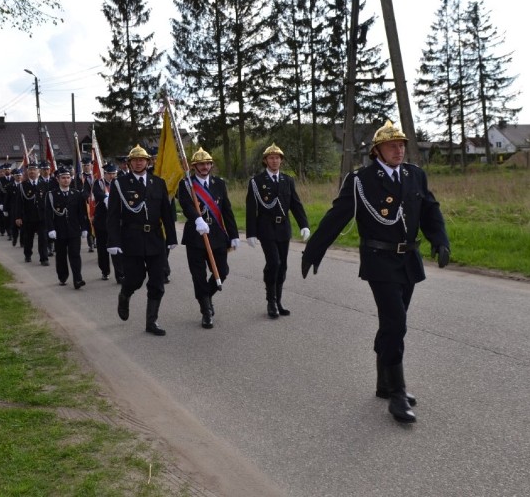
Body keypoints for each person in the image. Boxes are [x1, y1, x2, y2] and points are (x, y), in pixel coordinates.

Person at [301, 120, 450, 424]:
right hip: (379, 261)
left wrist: (440, 241)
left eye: (402, 144)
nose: (399, 149)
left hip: (408, 259)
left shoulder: (414, 175)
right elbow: (337, 216)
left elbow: (430, 210)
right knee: (396, 324)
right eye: (393, 145)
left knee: (394, 324)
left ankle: (384, 382)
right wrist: (314, 250)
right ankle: (397, 392)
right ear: (377, 150)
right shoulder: (361, 180)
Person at [106, 144, 178, 336]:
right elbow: (113, 216)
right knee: (135, 279)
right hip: (132, 239)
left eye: (142, 160)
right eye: (135, 160)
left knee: (157, 282)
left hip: (155, 239)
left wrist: (171, 236)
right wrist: (113, 241)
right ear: (129, 163)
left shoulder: (158, 183)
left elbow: (166, 213)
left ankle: (151, 322)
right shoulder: (120, 184)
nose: (138, 163)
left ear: (148, 162)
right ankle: (125, 295)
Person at [245, 143, 311, 319]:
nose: (274, 161)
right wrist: (250, 232)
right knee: (274, 262)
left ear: (281, 161)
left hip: (283, 228)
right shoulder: (257, 182)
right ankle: (271, 301)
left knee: (283, 266)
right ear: (265, 160)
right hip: (266, 228)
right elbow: (251, 209)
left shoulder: (287, 180)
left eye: (277, 158)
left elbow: (295, 205)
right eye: (271, 158)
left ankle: (279, 300)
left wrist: (304, 224)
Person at [177, 148, 240, 329]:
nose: (204, 167)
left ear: (211, 165)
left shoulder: (219, 183)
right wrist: (197, 219)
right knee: (198, 276)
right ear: (194, 166)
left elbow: (226, 210)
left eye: (207, 164)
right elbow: (186, 204)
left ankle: (206, 295)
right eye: (200, 164)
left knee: (222, 271)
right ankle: (206, 310)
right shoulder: (186, 184)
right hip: (196, 236)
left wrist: (234, 235)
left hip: (218, 236)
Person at [45, 167, 89, 289]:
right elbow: (48, 214)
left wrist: (85, 228)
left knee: (75, 254)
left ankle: (78, 279)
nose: (66, 180)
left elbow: (82, 213)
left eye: (68, 177)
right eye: (63, 178)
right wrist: (51, 229)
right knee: (61, 256)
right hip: (59, 231)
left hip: (74, 230)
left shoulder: (76, 194)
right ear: (58, 179)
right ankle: (63, 276)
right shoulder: (51, 195)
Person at [92, 162, 124, 283]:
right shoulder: (98, 183)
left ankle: (120, 274)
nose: (112, 176)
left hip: (116, 221)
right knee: (103, 248)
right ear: (104, 174)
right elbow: (96, 193)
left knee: (117, 248)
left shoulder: (119, 183)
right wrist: (106, 198)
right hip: (101, 221)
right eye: (109, 174)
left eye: (114, 173)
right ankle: (105, 270)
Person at [13, 162, 50, 266]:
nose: (32, 172)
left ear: (39, 171)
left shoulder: (44, 184)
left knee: (43, 238)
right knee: (28, 238)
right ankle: (28, 254)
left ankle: (44, 258)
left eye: (34, 169)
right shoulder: (23, 186)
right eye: (30, 170)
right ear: (27, 172)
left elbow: (48, 200)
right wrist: (18, 217)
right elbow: (19, 202)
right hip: (28, 216)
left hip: (42, 216)